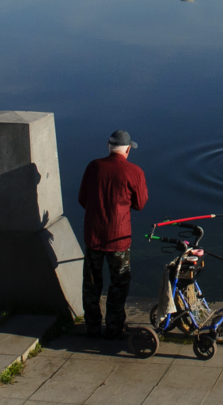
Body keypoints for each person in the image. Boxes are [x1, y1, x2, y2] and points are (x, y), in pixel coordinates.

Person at [78, 130, 148, 339]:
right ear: (127, 150)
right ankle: (114, 328)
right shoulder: (134, 172)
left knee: (91, 285)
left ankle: (92, 327)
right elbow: (140, 204)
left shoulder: (93, 167)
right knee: (118, 284)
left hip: (93, 237)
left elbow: (82, 198)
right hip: (119, 239)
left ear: (108, 146)